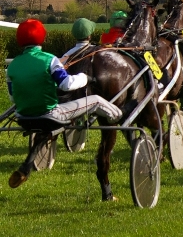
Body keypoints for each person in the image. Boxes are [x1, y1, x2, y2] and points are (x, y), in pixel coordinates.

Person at [6, 19, 123, 188]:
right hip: (51, 116)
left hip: (23, 118)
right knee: (96, 100)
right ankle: (119, 115)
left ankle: (26, 166)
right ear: (41, 38)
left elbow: (12, 97)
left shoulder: (13, 65)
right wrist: (84, 78)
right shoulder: (50, 60)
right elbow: (66, 84)